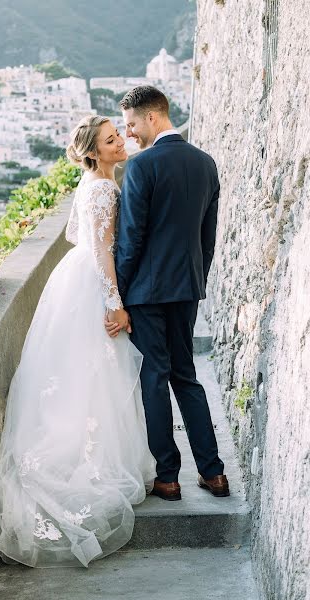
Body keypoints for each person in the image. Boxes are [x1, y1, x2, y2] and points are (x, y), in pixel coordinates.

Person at [0, 115, 156, 569]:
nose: (120, 141)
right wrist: (113, 302)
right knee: (97, 371)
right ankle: (93, 462)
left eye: (118, 134)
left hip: (73, 275)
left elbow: (72, 236)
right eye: (110, 139)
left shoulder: (87, 184)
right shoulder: (103, 187)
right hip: (94, 282)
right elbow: (103, 248)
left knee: (79, 373)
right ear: (93, 152)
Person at [105, 86, 229, 501]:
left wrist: (117, 295)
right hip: (186, 287)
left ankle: (168, 477)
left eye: (132, 124)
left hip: (145, 292)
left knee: (154, 379)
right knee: (187, 377)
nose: (130, 134)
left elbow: (132, 238)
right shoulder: (206, 164)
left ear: (153, 118)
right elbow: (206, 237)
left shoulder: (142, 167)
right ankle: (213, 474)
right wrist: (195, 279)